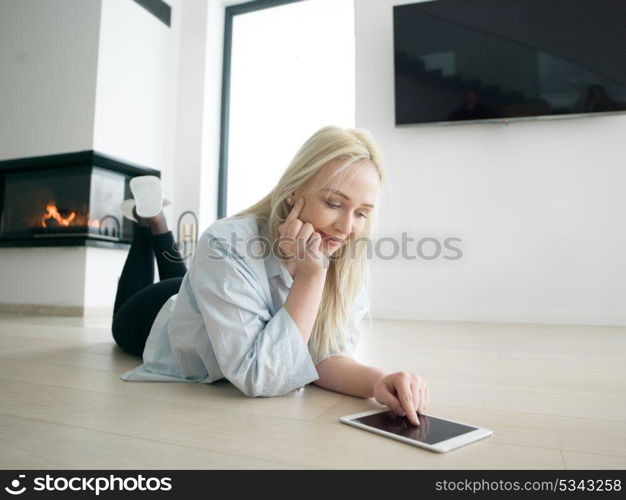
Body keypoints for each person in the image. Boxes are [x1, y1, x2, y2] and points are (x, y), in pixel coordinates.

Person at [113, 126, 429, 426]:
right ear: (293, 190)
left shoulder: (344, 261)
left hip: (206, 294)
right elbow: (259, 376)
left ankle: (150, 217)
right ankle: (149, 221)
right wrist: (311, 276)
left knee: (186, 278)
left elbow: (319, 357)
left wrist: (377, 382)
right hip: (153, 318)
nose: (346, 228)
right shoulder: (227, 242)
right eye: (334, 203)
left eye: (361, 213)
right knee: (124, 313)